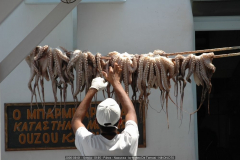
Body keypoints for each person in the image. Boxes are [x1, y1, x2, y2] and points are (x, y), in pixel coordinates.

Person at [71, 63, 139, 156]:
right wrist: (116, 83)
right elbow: (130, 112)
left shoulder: (89, 144)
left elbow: (76, 120)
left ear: (96, 121)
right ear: (120, 121)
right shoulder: (129, 141)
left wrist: (93, 88)